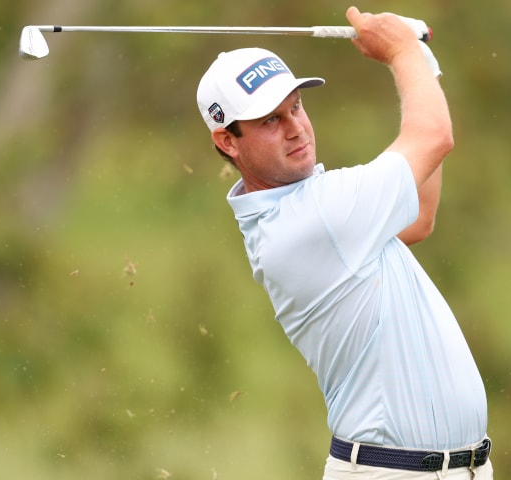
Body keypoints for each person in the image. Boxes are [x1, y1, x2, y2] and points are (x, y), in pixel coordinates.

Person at [195, 6, 491, 480]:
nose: (295, 127)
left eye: (296, 107)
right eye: (270, 121)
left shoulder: (314, 206)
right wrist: (400, 51)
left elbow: (420, 217)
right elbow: (433, 136)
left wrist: (422, 61)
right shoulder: (313, 217)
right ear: (228, 142)